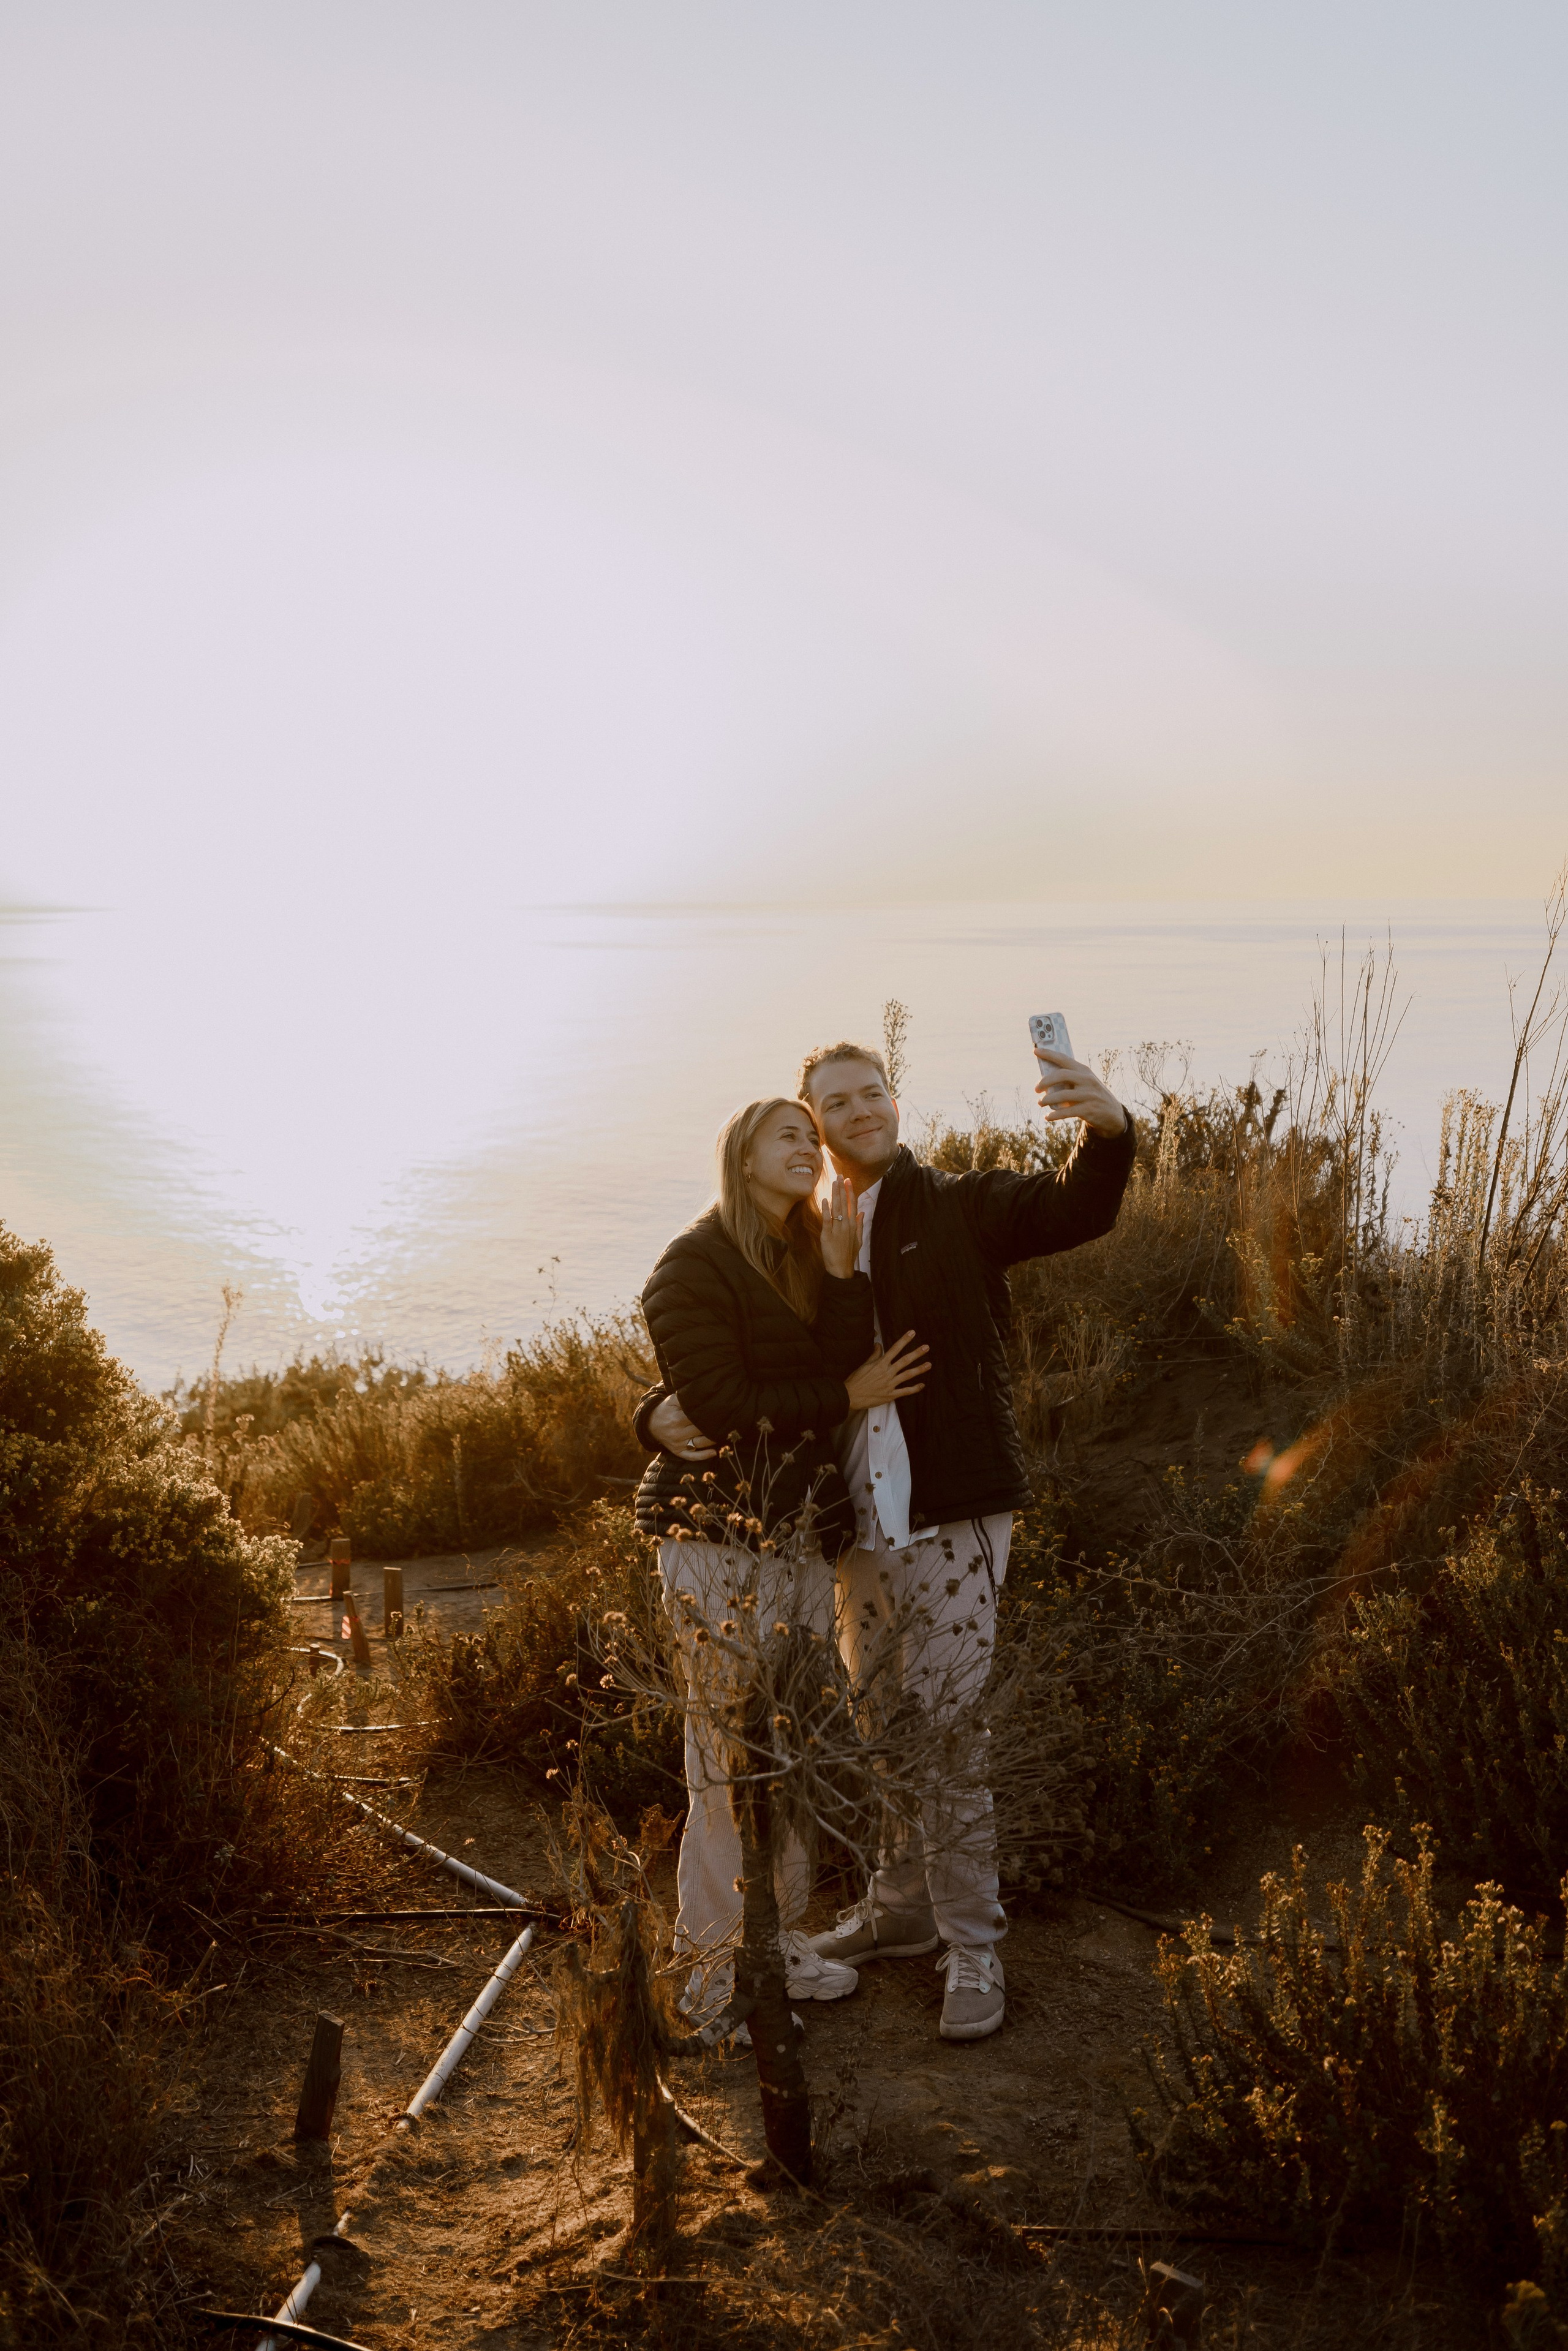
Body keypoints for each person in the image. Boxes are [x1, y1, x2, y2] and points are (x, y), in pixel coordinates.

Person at [641, 1033, 1135, 2042]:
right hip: (848, 1530)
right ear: (811, 1126)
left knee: (951, 1732)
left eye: (874, 1091)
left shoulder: (953, 1205)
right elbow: (738, 1366)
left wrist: (1110, 1130)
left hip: (951, 1512)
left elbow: (1072, 1208)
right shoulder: (802, 1230)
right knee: (879, 1727)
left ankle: (972, 1947)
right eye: (836, 1101)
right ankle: (903, 1905)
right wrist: (653, 1409)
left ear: (894, 1101)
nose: (861, 1109)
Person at [635, 1093, 929, 2026]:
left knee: (790, 1756)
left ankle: (779, 1942)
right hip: (719, 1540)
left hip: (803, 1538)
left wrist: (842, 1277)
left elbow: (839, 1367)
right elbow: (719, 1402)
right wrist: (842, 1392)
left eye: (814, 1135)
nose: (808, 1144)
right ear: (742, 1155)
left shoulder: (809, 1257)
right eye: (787, 1134)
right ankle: (718, 1970)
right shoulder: (691, 1264)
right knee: (722, 1761)